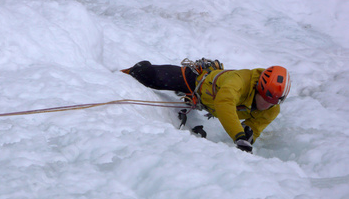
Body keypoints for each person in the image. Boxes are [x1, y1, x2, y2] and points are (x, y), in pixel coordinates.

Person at [121, 59, 291, 153]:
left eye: (275, 101)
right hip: (196, 81)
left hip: (204, 100)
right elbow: (225, 103)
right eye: (266, 98)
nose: (268, 104)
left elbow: (254, 127)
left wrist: (248, 136)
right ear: (258, 88)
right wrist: (238, 135)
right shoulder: (240, 80)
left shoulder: (272, 110)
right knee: (148, 76)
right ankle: (122, 72)